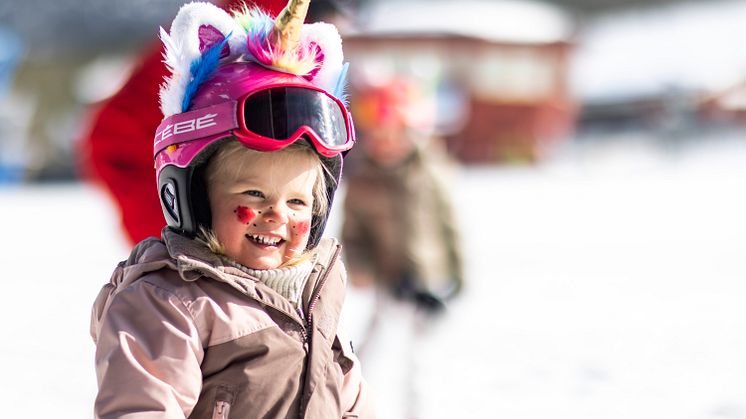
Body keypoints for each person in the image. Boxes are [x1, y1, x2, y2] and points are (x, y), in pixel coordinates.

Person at [89, 2, 372, 417]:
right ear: (192, 198)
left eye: (297, 201)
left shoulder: (314, 295)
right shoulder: (171, 305)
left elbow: (348, 401)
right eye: (253, 195)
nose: (277, 215)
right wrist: (183, 249)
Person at [78, 0, 352, 245]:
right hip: (176, 198)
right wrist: (184, 233)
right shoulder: (229, 37)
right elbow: (112, 135)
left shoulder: (295, 39)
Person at [341, 78, 464, 418]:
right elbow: (352, 235)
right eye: (380, 137)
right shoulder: (364, 181)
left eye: (395, 136)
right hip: (387, 280)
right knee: (373, 347)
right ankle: (349, 402)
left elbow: (450, 227)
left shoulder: (431, 174)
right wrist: (363, 269)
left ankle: (419, 411)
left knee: (421, 361)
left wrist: (459, 275)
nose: (387, 146)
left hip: (428, 280)